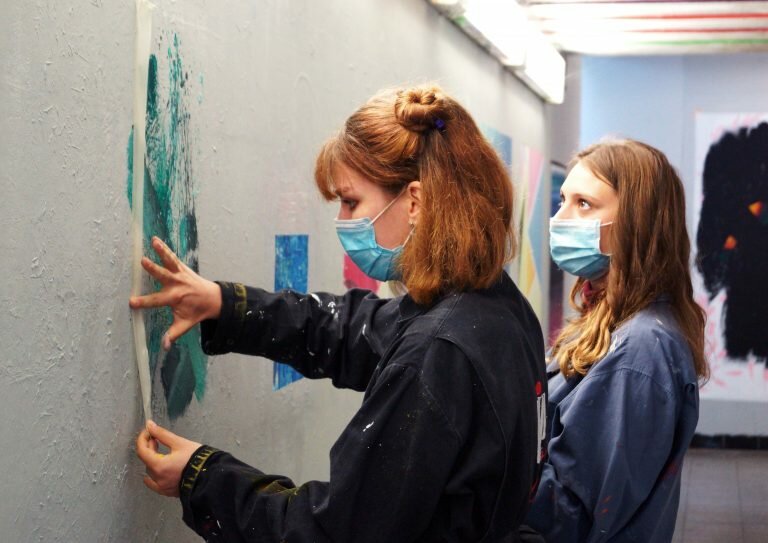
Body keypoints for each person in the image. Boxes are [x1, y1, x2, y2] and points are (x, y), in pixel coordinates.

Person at [131, 84, 548, 542]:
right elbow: (351, 330)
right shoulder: (497, 307)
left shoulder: (437, 351)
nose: (343, 221)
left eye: (351, 201)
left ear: (415, 201)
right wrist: (225, 305)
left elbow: (333, 533)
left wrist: (202, 478)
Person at [525, 139, 708, 542]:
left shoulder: (640, 349)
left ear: (635, 222)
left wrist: (486, 456)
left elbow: (573, 516)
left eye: (584, 204)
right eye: (562, 200)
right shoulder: (610, 321)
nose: (560, 217)